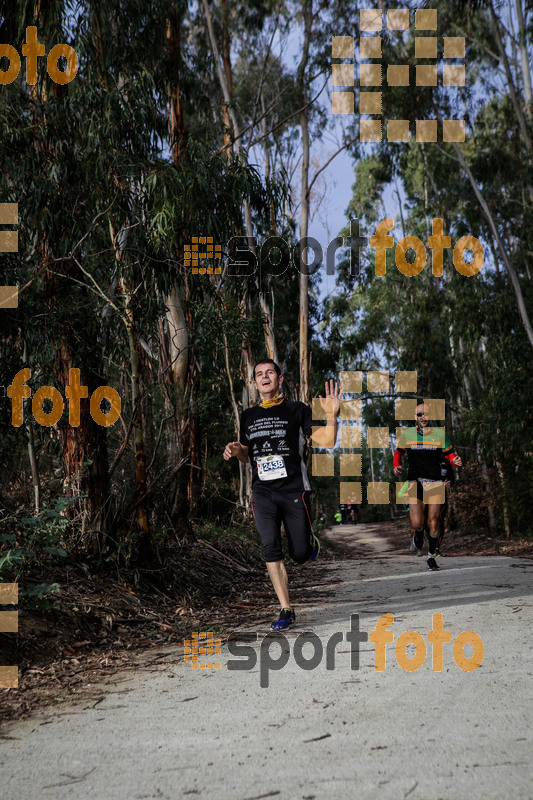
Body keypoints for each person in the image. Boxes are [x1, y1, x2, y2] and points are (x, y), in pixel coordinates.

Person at [223, 359, 341, 629]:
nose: (264, 377)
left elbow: (328, 441)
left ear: (278, 379)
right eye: (259, 375)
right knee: (269, 546)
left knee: (299, 553)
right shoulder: (248, 416)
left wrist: (332, 414)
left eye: (269, 373)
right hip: (262, 490)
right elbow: (245, 454)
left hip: (293, 489)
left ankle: (309, 544)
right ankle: (286, 608)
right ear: (255, 384)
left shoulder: (297, 410)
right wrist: (235, 449)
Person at [393, 403, 462, 571]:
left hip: (435, 482)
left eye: (426, 414)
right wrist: (396, 465)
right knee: (417, 523)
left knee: (434, 521)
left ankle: (431, 557)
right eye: (419, 414)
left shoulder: (439, 434)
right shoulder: (408, 434)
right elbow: (398, 453)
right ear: (415, 417)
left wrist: (455, 462)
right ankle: (418, 534)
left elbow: (450, 455)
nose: (423, 417)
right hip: (414, 481)